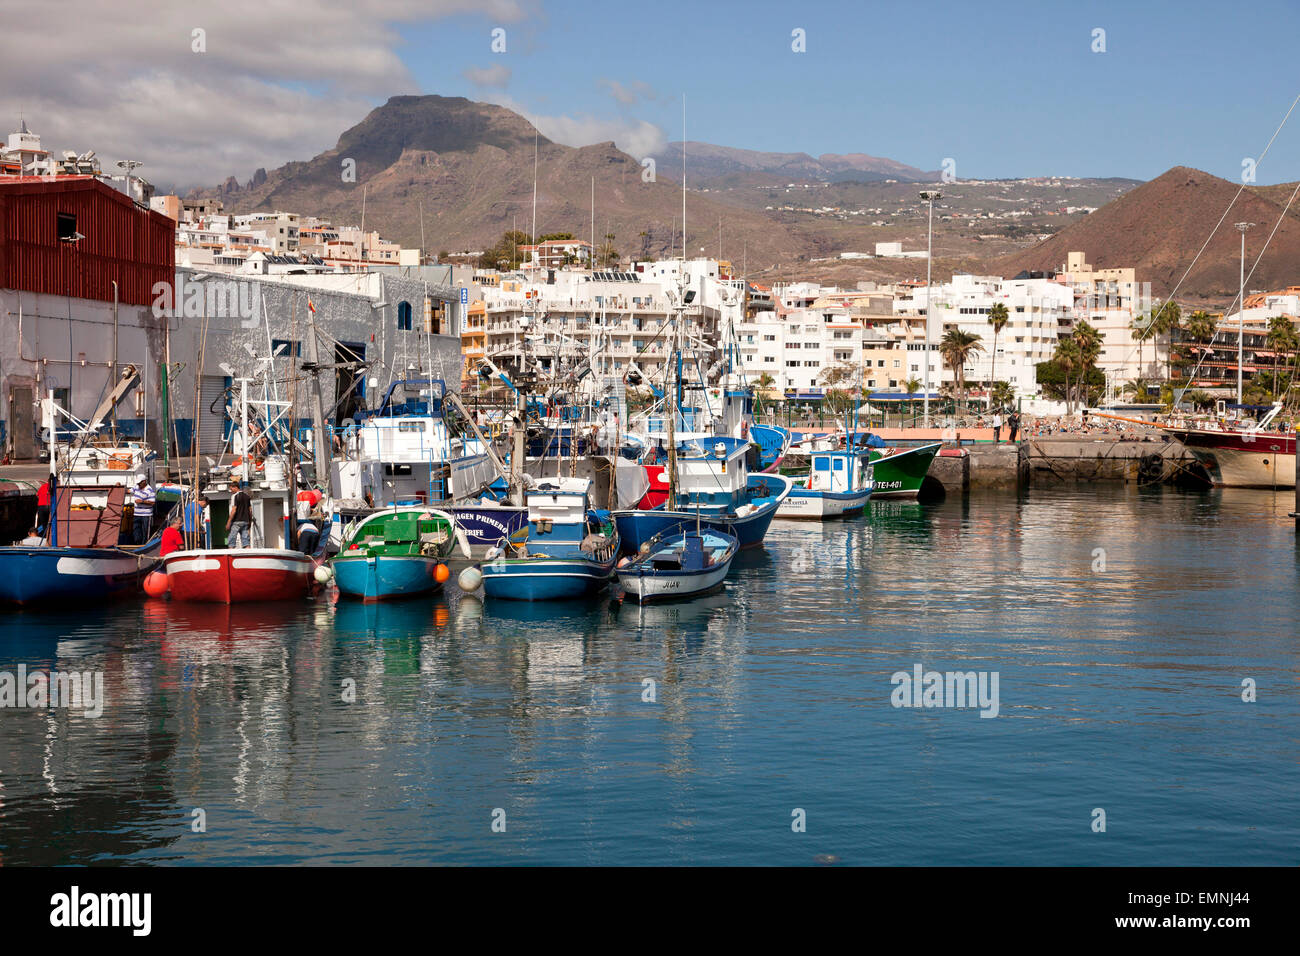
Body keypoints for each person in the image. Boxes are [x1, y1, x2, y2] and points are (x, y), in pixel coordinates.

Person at [226, 481, 252, 549]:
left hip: (236, 521)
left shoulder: (234, 496)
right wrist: (250, 521)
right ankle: (248, 554)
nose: (231, 491)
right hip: (246, 521)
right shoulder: (247, 496)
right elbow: (250, 510)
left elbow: (234, 510)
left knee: (231, 539)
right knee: (246, 540)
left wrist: (228, 522)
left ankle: (230, 554)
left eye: (231, 489)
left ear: (235, 487)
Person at [131, 477, 156, 544]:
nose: (138, 484)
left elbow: (153, 502)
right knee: (136, 529)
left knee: (145, 531)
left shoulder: (150, 490)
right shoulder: (136, 486)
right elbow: (128, 491)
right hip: (136, 514)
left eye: (139, 483)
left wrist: (142, 501)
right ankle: (137, 543)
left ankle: (144, 544)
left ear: (144, 481)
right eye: (138, 483)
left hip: (146, 515)